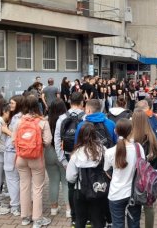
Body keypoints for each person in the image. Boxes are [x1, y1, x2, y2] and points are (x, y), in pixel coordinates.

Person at [14, 95, 52, 227]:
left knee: (24, 186)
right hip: (36, 158)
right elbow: (47, 141)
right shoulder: (43, 122)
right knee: (37, 188)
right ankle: (37, 219)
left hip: (21, 158)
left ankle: (25, 217)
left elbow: (14, 140)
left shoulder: (19, 121)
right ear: (38, 105)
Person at [66, 123, 109, 228]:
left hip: (80, 191)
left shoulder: (76, 154)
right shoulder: (103, 150)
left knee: (80, 220)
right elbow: (108, 169)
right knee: (98, 220)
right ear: (95, 135)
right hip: (98, 189)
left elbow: (70, 177)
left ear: (80, 136)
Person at [104, 118, 144, 228]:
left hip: (116, 193)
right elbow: (142, 167)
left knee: (117, 224)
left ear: (115, 131)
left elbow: (107, 171)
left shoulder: (109, 152)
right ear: (132, 131)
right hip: (134, 193)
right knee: (134, 223)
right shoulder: (138, 148)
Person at [54, 92, 85, 226]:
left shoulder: (61, 118)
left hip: (68, 154)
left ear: (69, 102)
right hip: (83, 155)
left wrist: (63, 161)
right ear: (82, 102)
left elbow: (57, 140)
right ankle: (84, 215)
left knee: (70, 186)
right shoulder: (86, 117)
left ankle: (73, 216)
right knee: (84, 185)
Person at [129, 111, 157, 228]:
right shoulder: (152, 136)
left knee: (134, 205)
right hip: (149, 176)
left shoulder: (132, 138)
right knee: (149, 206)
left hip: (135, 177)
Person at [45, 99, 70, 217]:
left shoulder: (46, 120)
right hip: (62, 152)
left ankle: (54, 208)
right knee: (65, 182)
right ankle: (69, 209)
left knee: (53, 181)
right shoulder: (66, 120)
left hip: (49, 152)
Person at [6, 95, 24, 216]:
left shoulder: (16, 119)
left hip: (12, 151)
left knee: (12, 179)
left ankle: (15, 206)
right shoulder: (26, 116)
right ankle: (24, 203)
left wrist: (5, 129)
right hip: (23, 152)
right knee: (22, 179)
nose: (10, 105)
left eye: (12, 103)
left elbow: (14, 137)